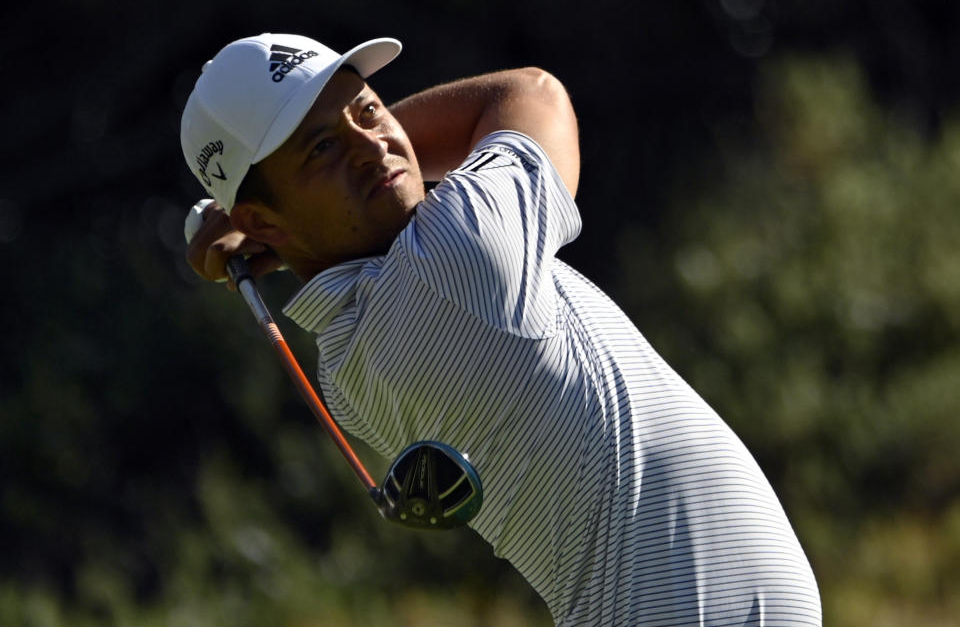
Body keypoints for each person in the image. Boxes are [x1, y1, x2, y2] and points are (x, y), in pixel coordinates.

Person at [181, 33, 822, 626]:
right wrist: (349, 168)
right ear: (260, 222)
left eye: (368, 111)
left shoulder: (344, 363)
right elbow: (530, 93)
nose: (373, 144)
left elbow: (368, 184)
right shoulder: (457, 255)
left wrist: (292, 218)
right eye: (322, 149)